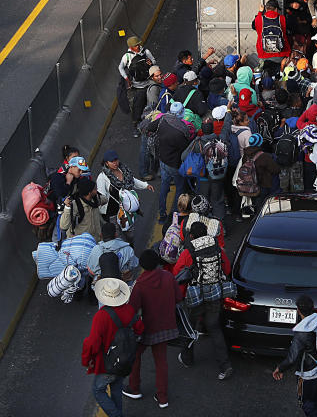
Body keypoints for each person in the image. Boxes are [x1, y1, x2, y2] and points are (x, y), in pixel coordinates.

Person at [172, 222, 234, 380]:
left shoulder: (189, 251)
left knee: (189, 329)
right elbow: (226, 269)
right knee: (215, 328)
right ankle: (225, 365)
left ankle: (187, 358)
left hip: (195, 297)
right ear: (207, 232)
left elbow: (177, 272)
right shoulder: (216, 247)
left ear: (191, 236)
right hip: (215, 295)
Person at [123, 250, 182, 409]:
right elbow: (178, 298)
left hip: (146, 329)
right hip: (166, 327)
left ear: (142, 265)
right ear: (157, 262)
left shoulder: (140, 284)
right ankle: (162, 398)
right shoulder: (168, 277)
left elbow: (132, 310)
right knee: (161, 361)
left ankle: (134, 387)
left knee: (135, 356)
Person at [82, 274, 143, 417]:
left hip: (107, 363)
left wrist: (87, 360)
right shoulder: (129, 310)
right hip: (125, 359)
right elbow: (139, 328)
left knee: (98, 390)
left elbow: (93, 342)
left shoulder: (101, 316)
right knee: (116, 390)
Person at [271, 295, 317, 417]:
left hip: (309, 375)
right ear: (313, 308)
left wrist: (280, 368)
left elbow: (292, 358)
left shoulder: (302, 333)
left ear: (298, 310)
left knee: (306, 403)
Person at [147, 101, 195, 223]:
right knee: (179, 189)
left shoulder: (163, 120)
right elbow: (186, 148)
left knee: (164, 186)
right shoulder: (181, 131)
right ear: (181, 113)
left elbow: (149, 128)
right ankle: (174, 215)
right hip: (175, 164)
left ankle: (162, 214)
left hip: (163, 161)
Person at [118, 36, 156, 135]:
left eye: (139, 44)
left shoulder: (146, 52)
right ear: (131, 47)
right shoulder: (127, 56)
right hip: (137, 87)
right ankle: (137, 126)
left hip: (149, 83)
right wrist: (126, 78)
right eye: (136, 45)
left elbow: (154, 61)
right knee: (137, 107)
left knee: (153, 104)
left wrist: (151, 63)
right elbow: (120, 67)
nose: (138, 46)